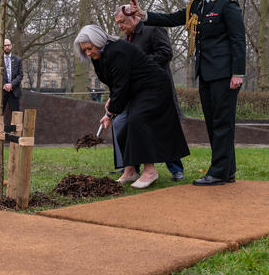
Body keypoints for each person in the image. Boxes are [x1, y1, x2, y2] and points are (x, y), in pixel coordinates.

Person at [132, 0, 246, 185]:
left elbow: (238, 40)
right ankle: (227, 169)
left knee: (223, 123)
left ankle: (218, 172)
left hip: (225, 74)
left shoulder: (227, 3)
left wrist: (238, 73)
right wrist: (143, 14)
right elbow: (173, 18)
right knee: (214, 123)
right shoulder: (196, 5)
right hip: (205, 73)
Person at [74, 24, 190, 189]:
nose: (87, 53)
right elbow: (116, 83)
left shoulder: (117, 51)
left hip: (154, 87)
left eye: (89, 48)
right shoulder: (99, 57)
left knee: (137, 121)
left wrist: (110, 113)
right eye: (84, 50)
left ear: (98, 41)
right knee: (121, 123)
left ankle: (150, 171)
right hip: (135, 89)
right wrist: (112, 101)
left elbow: (122, 84)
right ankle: (130, 171)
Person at [112, 6, 185, 181]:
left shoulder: (153, 28)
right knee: (124, 124)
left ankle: (176, 169)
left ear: (134, 17)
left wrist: (140, 64)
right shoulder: (126, 39)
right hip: (137, 93)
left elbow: (166, 53)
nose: (120, 26)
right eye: (118, 23)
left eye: (122, 21)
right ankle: (130, 167)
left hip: (159, 89)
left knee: (164, 127)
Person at [0, 39, 23, 146]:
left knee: (16, 115)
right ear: (1, 47)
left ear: (11, 46)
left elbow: (20, 75)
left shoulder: (17, 59)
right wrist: (4, 85)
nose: (7, 47)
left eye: (8, 45)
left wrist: (11, 85)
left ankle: (16, 138)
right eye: (5, 45)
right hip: (1, 92)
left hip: (14, 92)